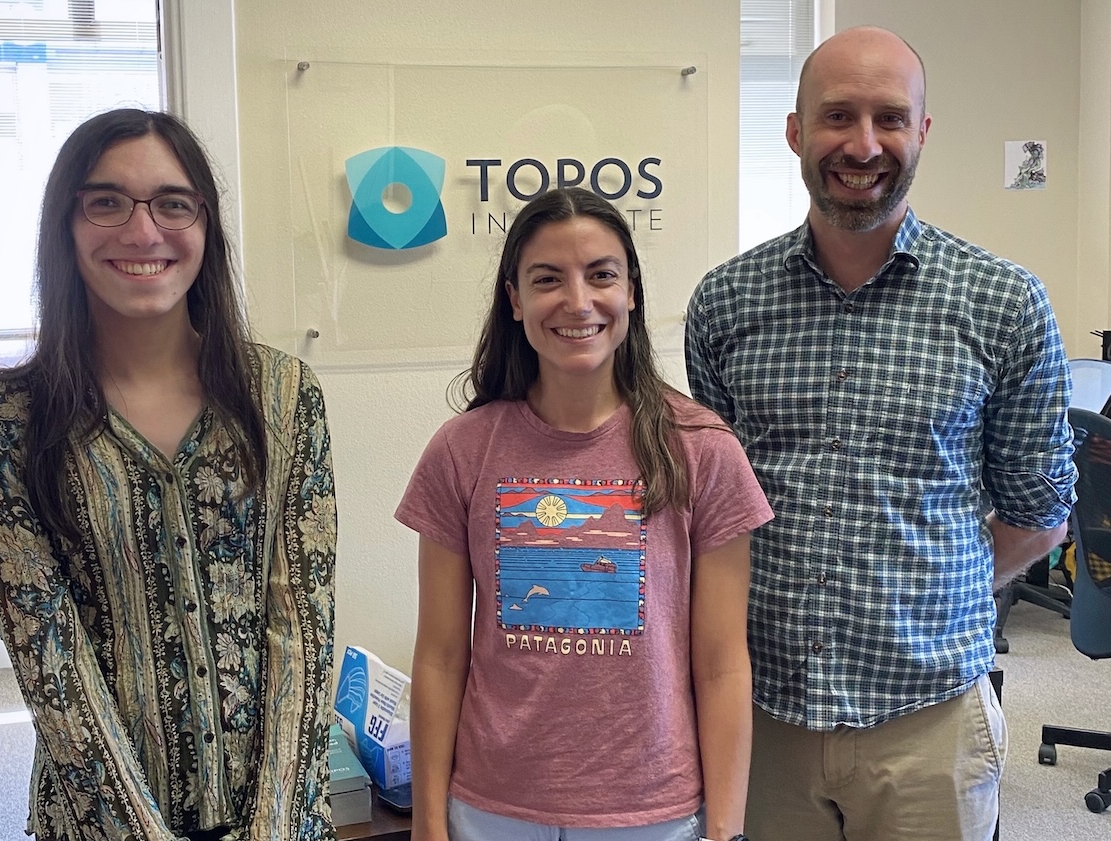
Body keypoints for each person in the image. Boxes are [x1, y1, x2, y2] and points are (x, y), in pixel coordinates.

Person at [685, 26, 1077, 841]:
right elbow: (718, 515)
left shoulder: (1004, 303)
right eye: (838, 116)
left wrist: (932, 593)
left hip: (928, 725)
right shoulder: (724, 304)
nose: (863, 145)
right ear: (795, 130)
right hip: (766, 716)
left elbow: (1039, 514)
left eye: (890, 118)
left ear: (922, 131)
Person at [0, 108, 337, 841]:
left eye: (172, 202)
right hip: (98, 820)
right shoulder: (4, 419)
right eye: (106, 202)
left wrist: (276, 823)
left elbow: (303, 623)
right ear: (65, 225)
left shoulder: (283, 395)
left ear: (205, 225)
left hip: (275, 816)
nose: (142, 231)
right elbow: (48, 653)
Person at [396, 186, 772, 841]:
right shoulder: (461, 450)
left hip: (653, 813)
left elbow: (721, 665)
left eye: (601, 275)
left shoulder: (703, 448)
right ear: (515, 299)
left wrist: (727, 830)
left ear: (632, 292)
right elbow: (440, 657)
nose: (577, 301)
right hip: (492, 810)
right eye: (547, 279)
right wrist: (429, 825)